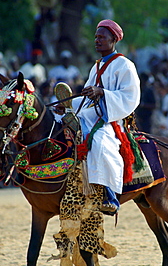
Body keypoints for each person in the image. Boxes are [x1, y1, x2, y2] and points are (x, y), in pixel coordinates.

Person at [56, 19, 140, 213]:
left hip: (110, 119)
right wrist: (67, 105)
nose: (97, 40)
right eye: (96, 37)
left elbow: (131, 97)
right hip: (88, 115)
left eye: (102, 37)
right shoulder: (96, 67)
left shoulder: (125, 65)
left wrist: (103, 93)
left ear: (113, 39)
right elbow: (85, 100)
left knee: (101, 143)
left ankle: (109, 195)